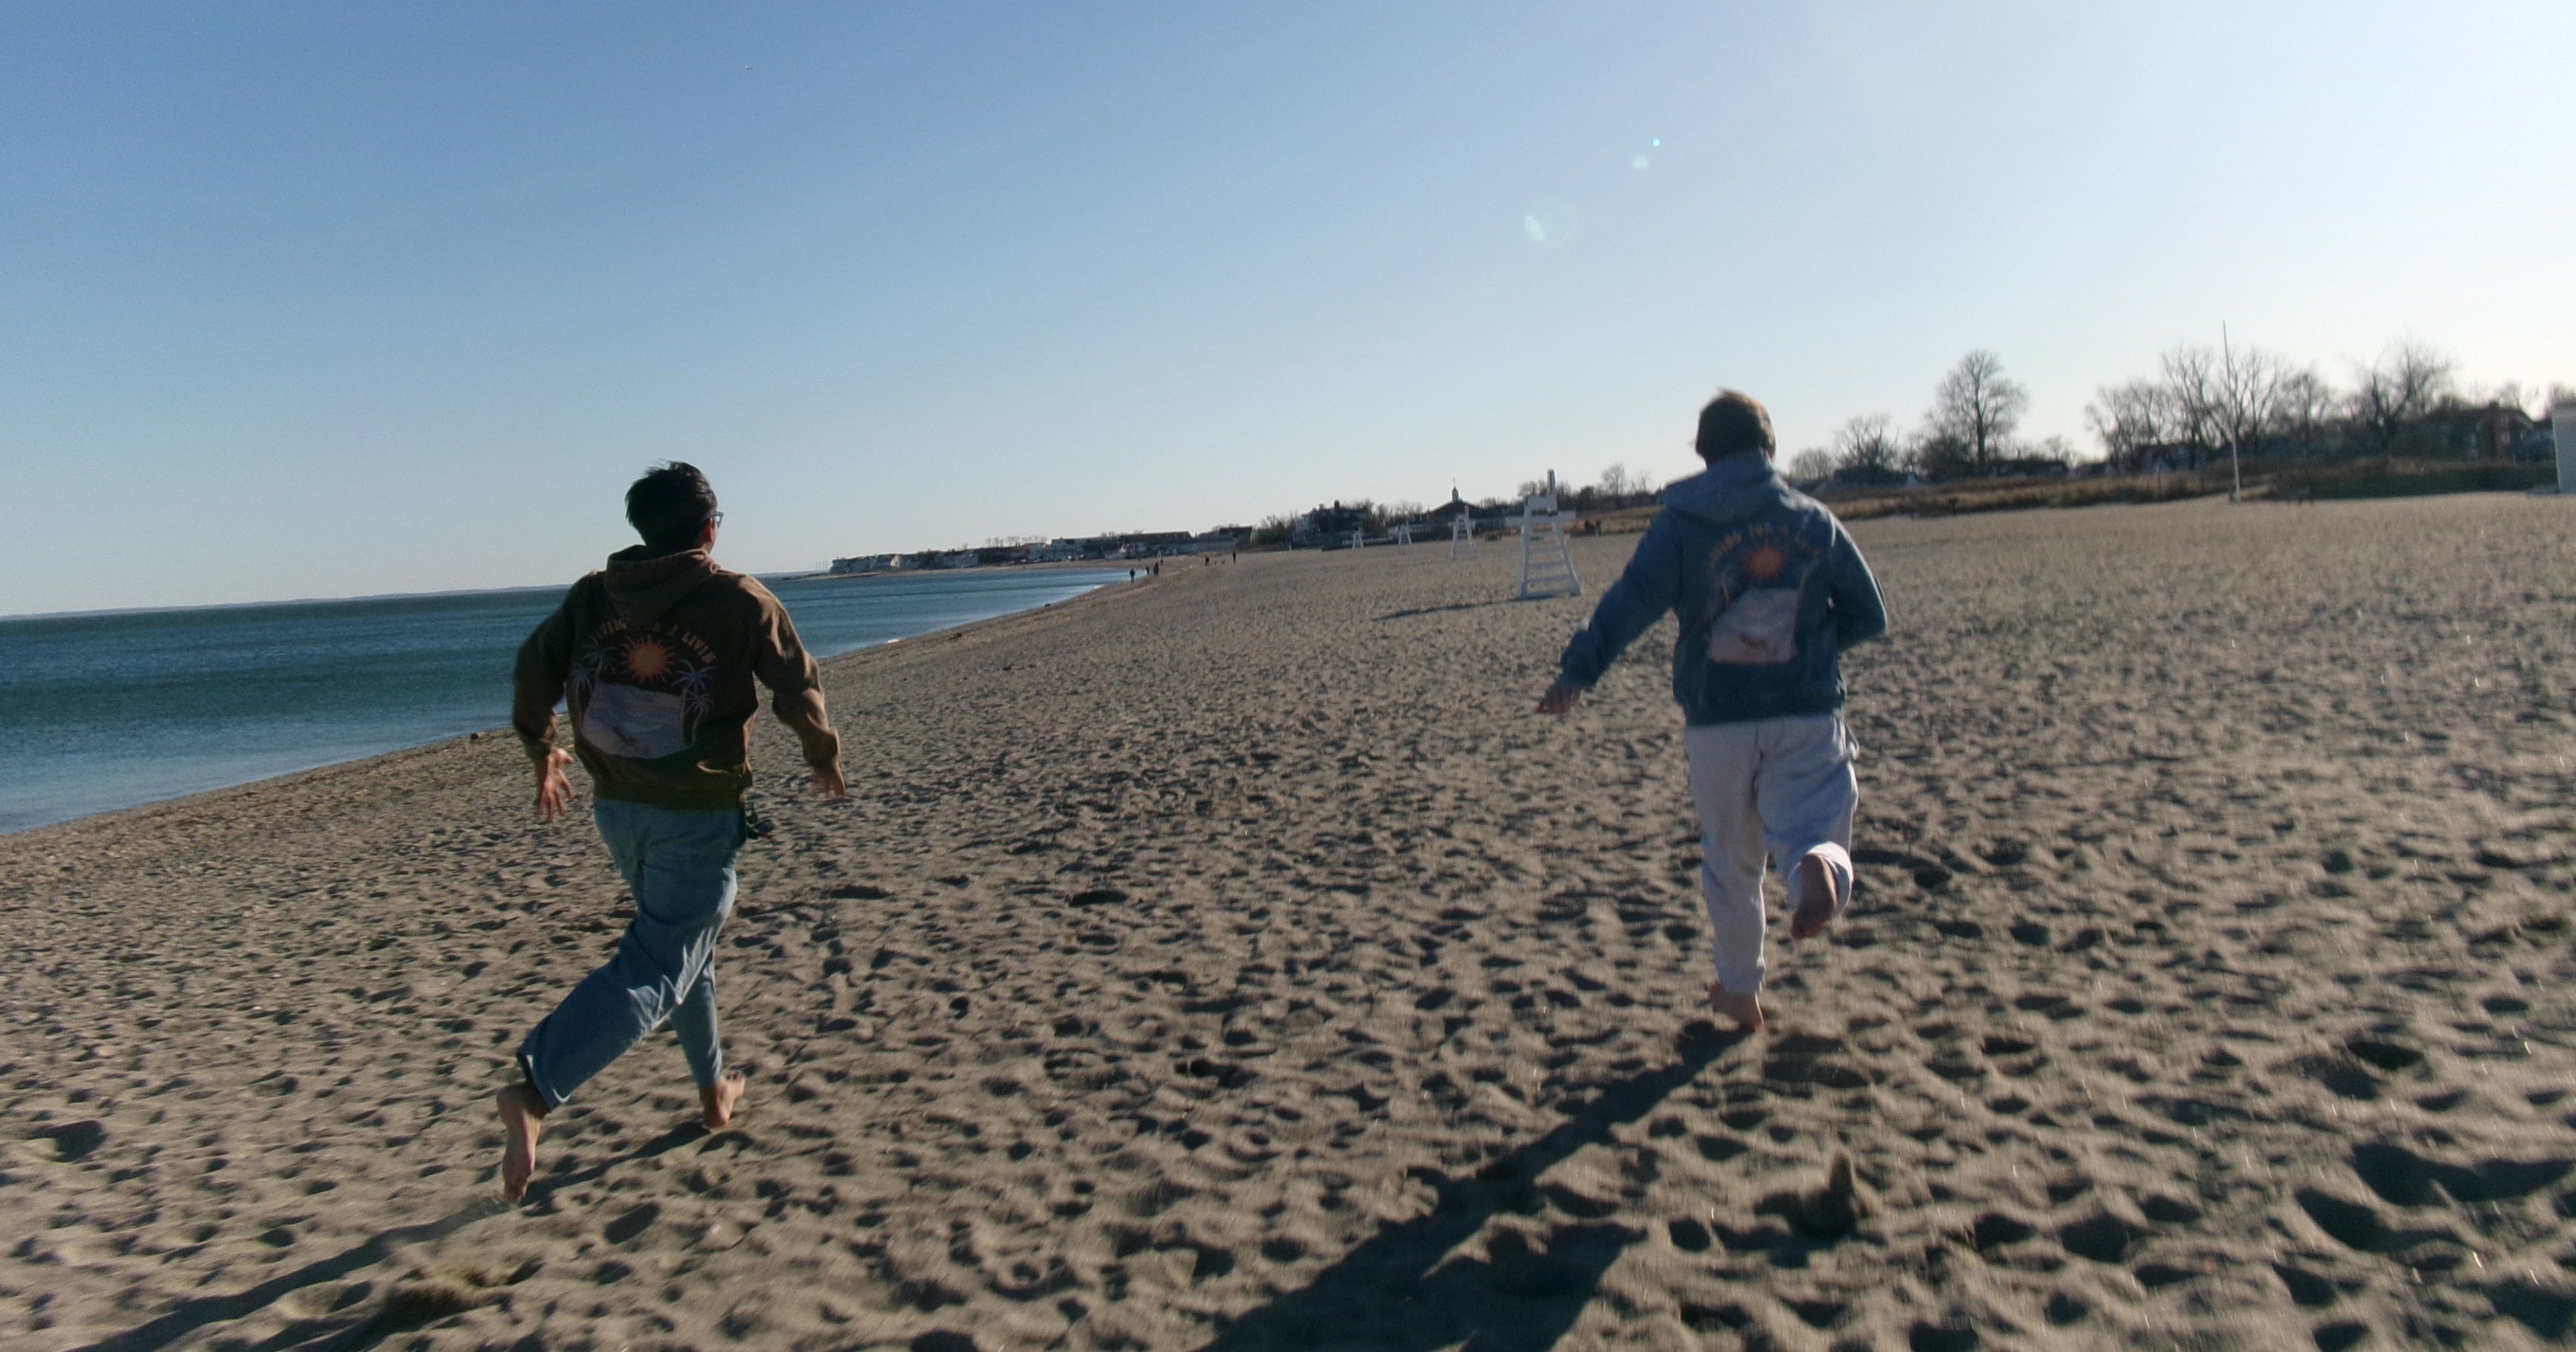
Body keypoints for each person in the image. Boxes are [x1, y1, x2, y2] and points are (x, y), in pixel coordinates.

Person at [496, 462, 847, 1202]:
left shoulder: (594, 594)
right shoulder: (738, 597)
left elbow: (535, 669)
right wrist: (823, 754)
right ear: (711, 527)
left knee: (685, 949)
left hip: (617, 807)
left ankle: (714, 1088)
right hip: (693, 811)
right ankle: (535, 1089)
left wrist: (541, 748)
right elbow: (796, 684)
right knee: (658, 962)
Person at [1537, 392, 1886, 1033]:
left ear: (1703, 453)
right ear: (1770, 448)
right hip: (1805, 709)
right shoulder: (1813, 520)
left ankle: (1739, 990)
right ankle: (1817, 867)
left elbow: (1630, 602)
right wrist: (1810, 647)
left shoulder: (1678, 524)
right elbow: (1871, 613)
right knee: (1814, 824)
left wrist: (1578, 672)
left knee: (1731, 859)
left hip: (1717, 720)